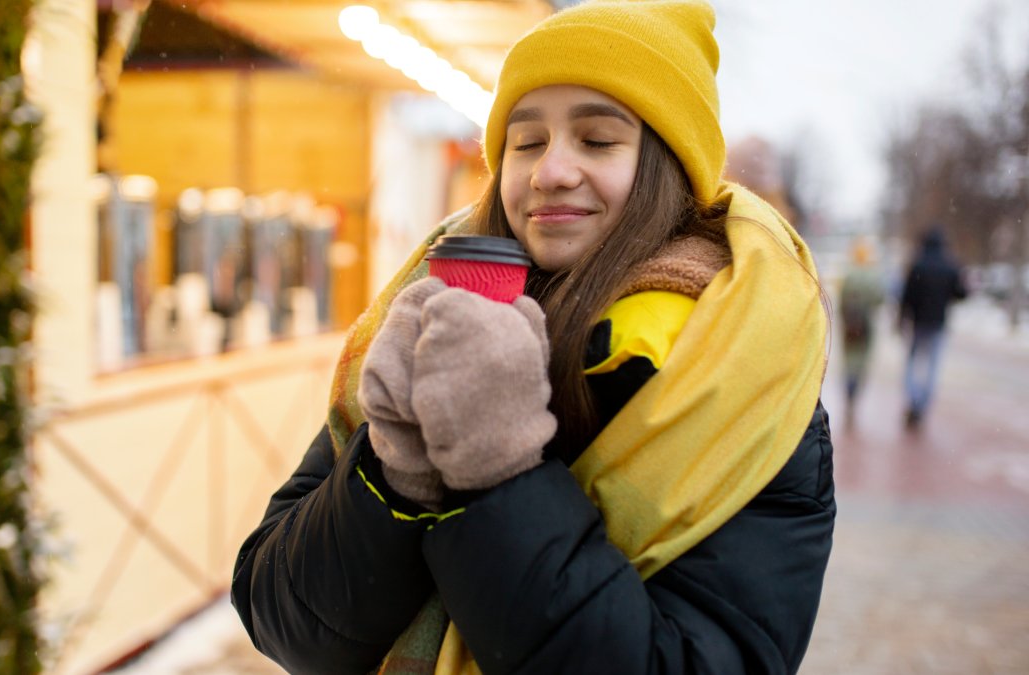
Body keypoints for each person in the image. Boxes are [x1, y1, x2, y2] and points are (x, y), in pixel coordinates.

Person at [231, 2, 834, 673]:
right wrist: (395, 470)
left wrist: (499, 474)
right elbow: (278, 614)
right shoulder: (434, 322)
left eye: (598, 139)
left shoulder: (749, 381)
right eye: (527, 141)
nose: (550, 170)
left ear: (667, 167)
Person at [898, 227, 967, 430]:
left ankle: (913, 398)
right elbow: (961, 293)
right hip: (938, 324)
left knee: (912, 364)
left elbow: (907, 296)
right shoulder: (950, 265)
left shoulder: (917, 265)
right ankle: (923, 403)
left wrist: (902, 318)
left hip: (919, 324)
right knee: (932, 367)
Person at [838, 236, 887, 429]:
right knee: (863, 361)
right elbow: (880, 299)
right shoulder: (873, 274)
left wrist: (846, 316)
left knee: (849, 360)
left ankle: (848, 390)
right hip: (867, 326)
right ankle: (855, 390)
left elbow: (841, 300)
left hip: (849, 325)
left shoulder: (848, 273)